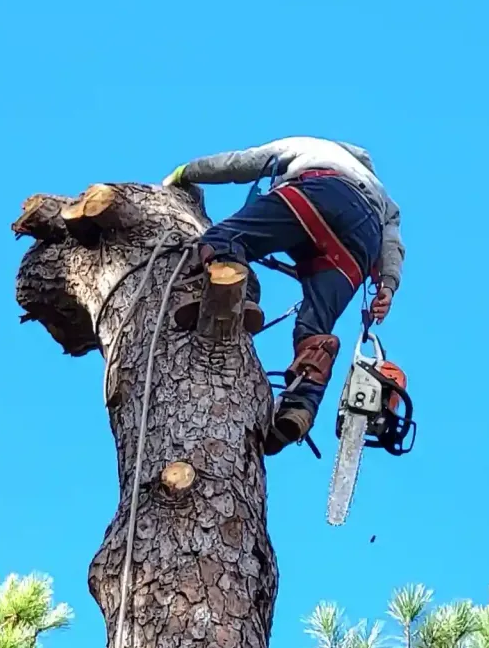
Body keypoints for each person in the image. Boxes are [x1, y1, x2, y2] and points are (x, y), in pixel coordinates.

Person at [164, 137, 404, 453]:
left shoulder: (312, 147)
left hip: (320, 194)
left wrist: (185, 173)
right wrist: (387, 286)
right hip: (361, 245)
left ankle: (229, 301)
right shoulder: (382, 196)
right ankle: (299, 406)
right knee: (314, 329)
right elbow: (392, 245)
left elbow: (240, 163)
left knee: (223, 238)